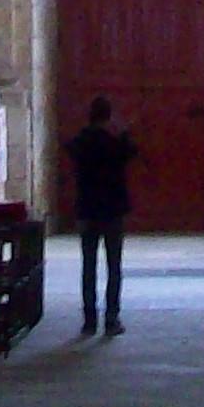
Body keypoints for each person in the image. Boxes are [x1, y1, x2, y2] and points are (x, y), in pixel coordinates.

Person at [64, 96, 138, 336]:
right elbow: (132, 152)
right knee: (114, 266)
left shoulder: (80, 142)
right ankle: (112, 318)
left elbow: (70, 149)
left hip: (87, 210)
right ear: (108, 116)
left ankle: (89, 320)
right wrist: (123, 131)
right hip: (113, 211)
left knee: (88, 266)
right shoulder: (114, 143)